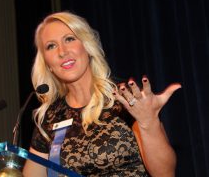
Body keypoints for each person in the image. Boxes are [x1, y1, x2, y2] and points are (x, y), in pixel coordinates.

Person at [22, 11, 181, 177]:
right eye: (51, 46)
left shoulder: (124, 99)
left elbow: (165, 173)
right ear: (47, 64)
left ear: (87, 46)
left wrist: (149, 122)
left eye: (69, 39)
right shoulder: (51, 117)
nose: (62, 52)